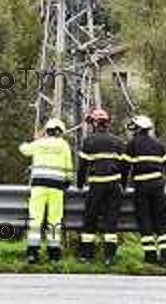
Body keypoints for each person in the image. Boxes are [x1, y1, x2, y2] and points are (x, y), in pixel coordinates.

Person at [77, 107, 127, 265]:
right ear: (107, 123)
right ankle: (109, 257)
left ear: (95, 123)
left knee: (90, 219)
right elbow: (124, 167)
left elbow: (83, 167)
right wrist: (123, 185)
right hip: (114, 186)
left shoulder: (89, 141)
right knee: (111, 220)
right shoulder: (118, 142)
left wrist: (79, 184)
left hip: (96, 185)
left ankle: (86, 255)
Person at [19, 118, 73, 263]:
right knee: (54, 219)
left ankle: (32, 253)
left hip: (39, 185)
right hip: (56, 187)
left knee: (35, 218)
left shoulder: (40, 143)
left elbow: (23, 150)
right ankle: (54, 254)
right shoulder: (63, 145)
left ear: (46, 130)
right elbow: (69, 167)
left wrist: (34, 139)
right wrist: (67, 181)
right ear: (60, 131)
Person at [124, 115, 166, 267]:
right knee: (160, 221)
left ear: (138, 129)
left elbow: (125, 167)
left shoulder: (132, 144)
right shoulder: (158, 145)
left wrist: (122, 185)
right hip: (158, 186)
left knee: (144, 220)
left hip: (141, 187)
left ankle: (151, 257)